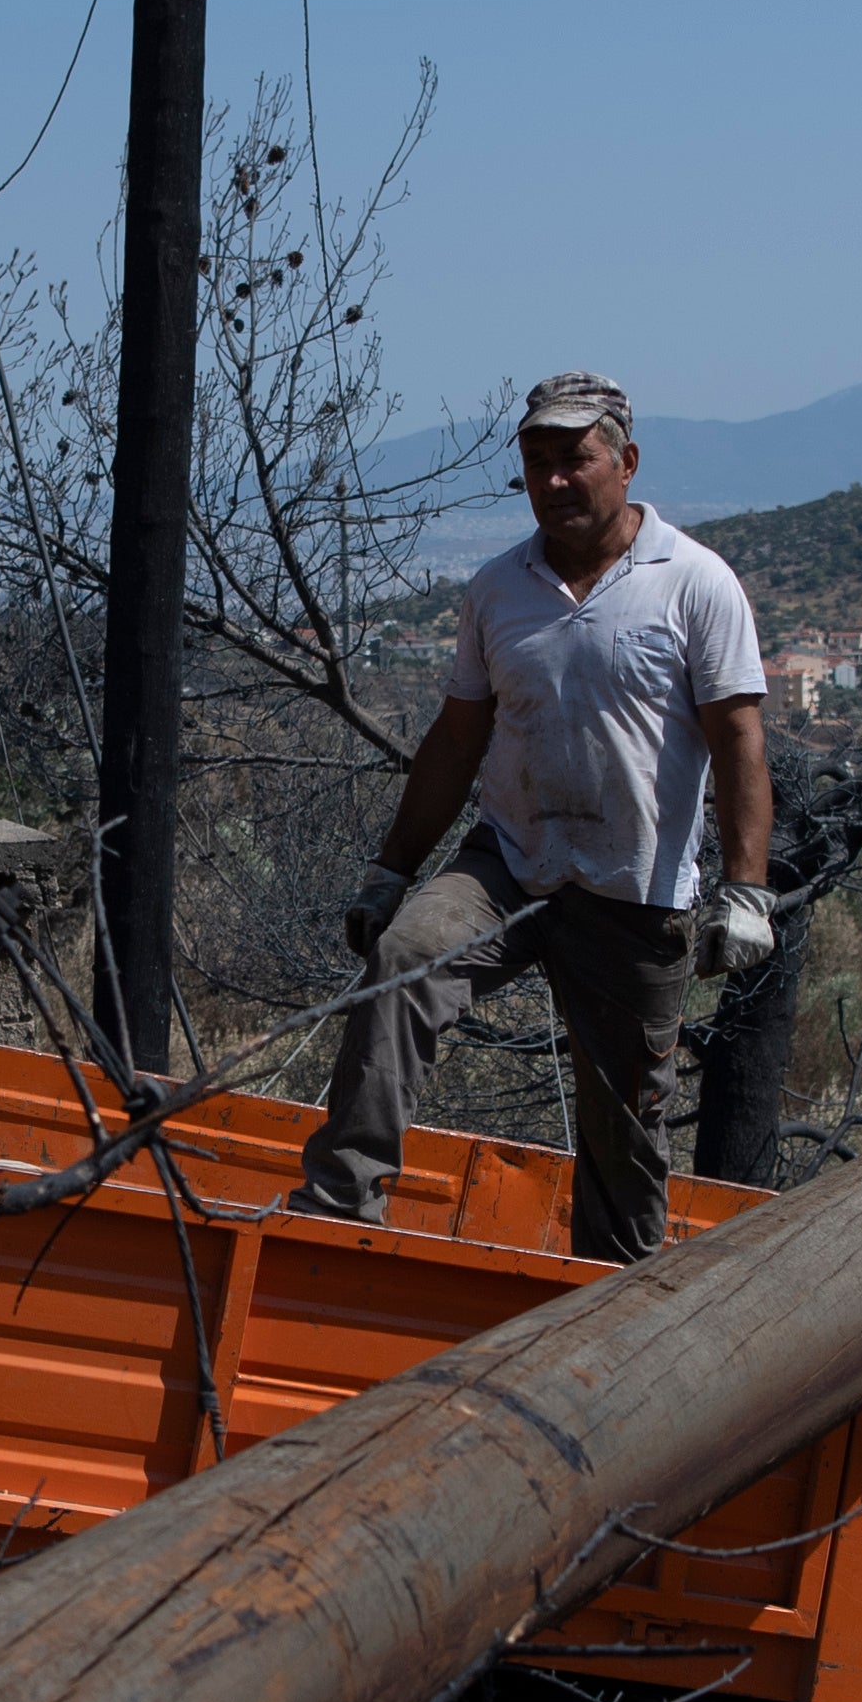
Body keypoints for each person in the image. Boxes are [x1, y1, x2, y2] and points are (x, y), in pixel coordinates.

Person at [291, 371, 775, 1262]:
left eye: (574, 460)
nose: (553, 481)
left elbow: (739, 742)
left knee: (624, 1125)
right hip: (509, 860)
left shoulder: (695, 583)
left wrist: (747, 893)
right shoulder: (498, 588)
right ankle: (338, 1202)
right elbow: (455, 739)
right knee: (404, 960)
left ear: (625, 462)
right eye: (537, 463)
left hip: (632, 890)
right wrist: (391, 871)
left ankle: (611, 1295)